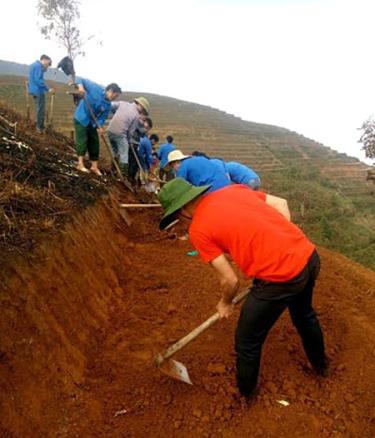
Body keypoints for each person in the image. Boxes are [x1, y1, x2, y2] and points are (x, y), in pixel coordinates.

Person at [157, 178, 328, 399]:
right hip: (309, 257)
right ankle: (322, 368)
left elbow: (230, 280)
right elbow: (281, 203)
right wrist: (282, 242)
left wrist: (225, 302)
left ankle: (246, 395)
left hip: (281, 276)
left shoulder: (198, 229)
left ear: (183, 209)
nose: (179, 221)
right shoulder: (233, 191)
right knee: (304, 315)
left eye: (176, 216)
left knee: (247, 341)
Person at [74, 79, 122, 175]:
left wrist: (99, 126)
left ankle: (94, 167)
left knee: (95, 143)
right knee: (82, 141)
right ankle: (80, 164)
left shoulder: (108, 105)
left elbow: (102, 118)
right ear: (110, 91)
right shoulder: (95, 89)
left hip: (92, 123)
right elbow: (80, 80)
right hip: (81, 117)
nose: (115, 98)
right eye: (115, 96)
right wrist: (81, 88)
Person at [107, 97, 150, 178]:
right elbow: (130, 131)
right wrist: (129, 141)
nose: (142, 111)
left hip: (110, 131)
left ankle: (113, 169)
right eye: (143, 109)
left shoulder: (123, 103)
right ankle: (122, 176)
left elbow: (110, 105)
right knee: (124, 154)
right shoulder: (136, 115)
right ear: (140, 105)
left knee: (115, 151)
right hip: (120, 133)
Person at [28, 54, 55, 134]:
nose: (48, 65)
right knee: (41, 110)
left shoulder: (34, 65)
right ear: (44, 60)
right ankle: (39, 128)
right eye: (48, 63)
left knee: (39, 108)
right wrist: (48, 89)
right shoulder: (38, 66)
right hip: (38, 91)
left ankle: (40, 126)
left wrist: (43, 69)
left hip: (33, 90)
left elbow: (34, 78)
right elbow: (38, 80)